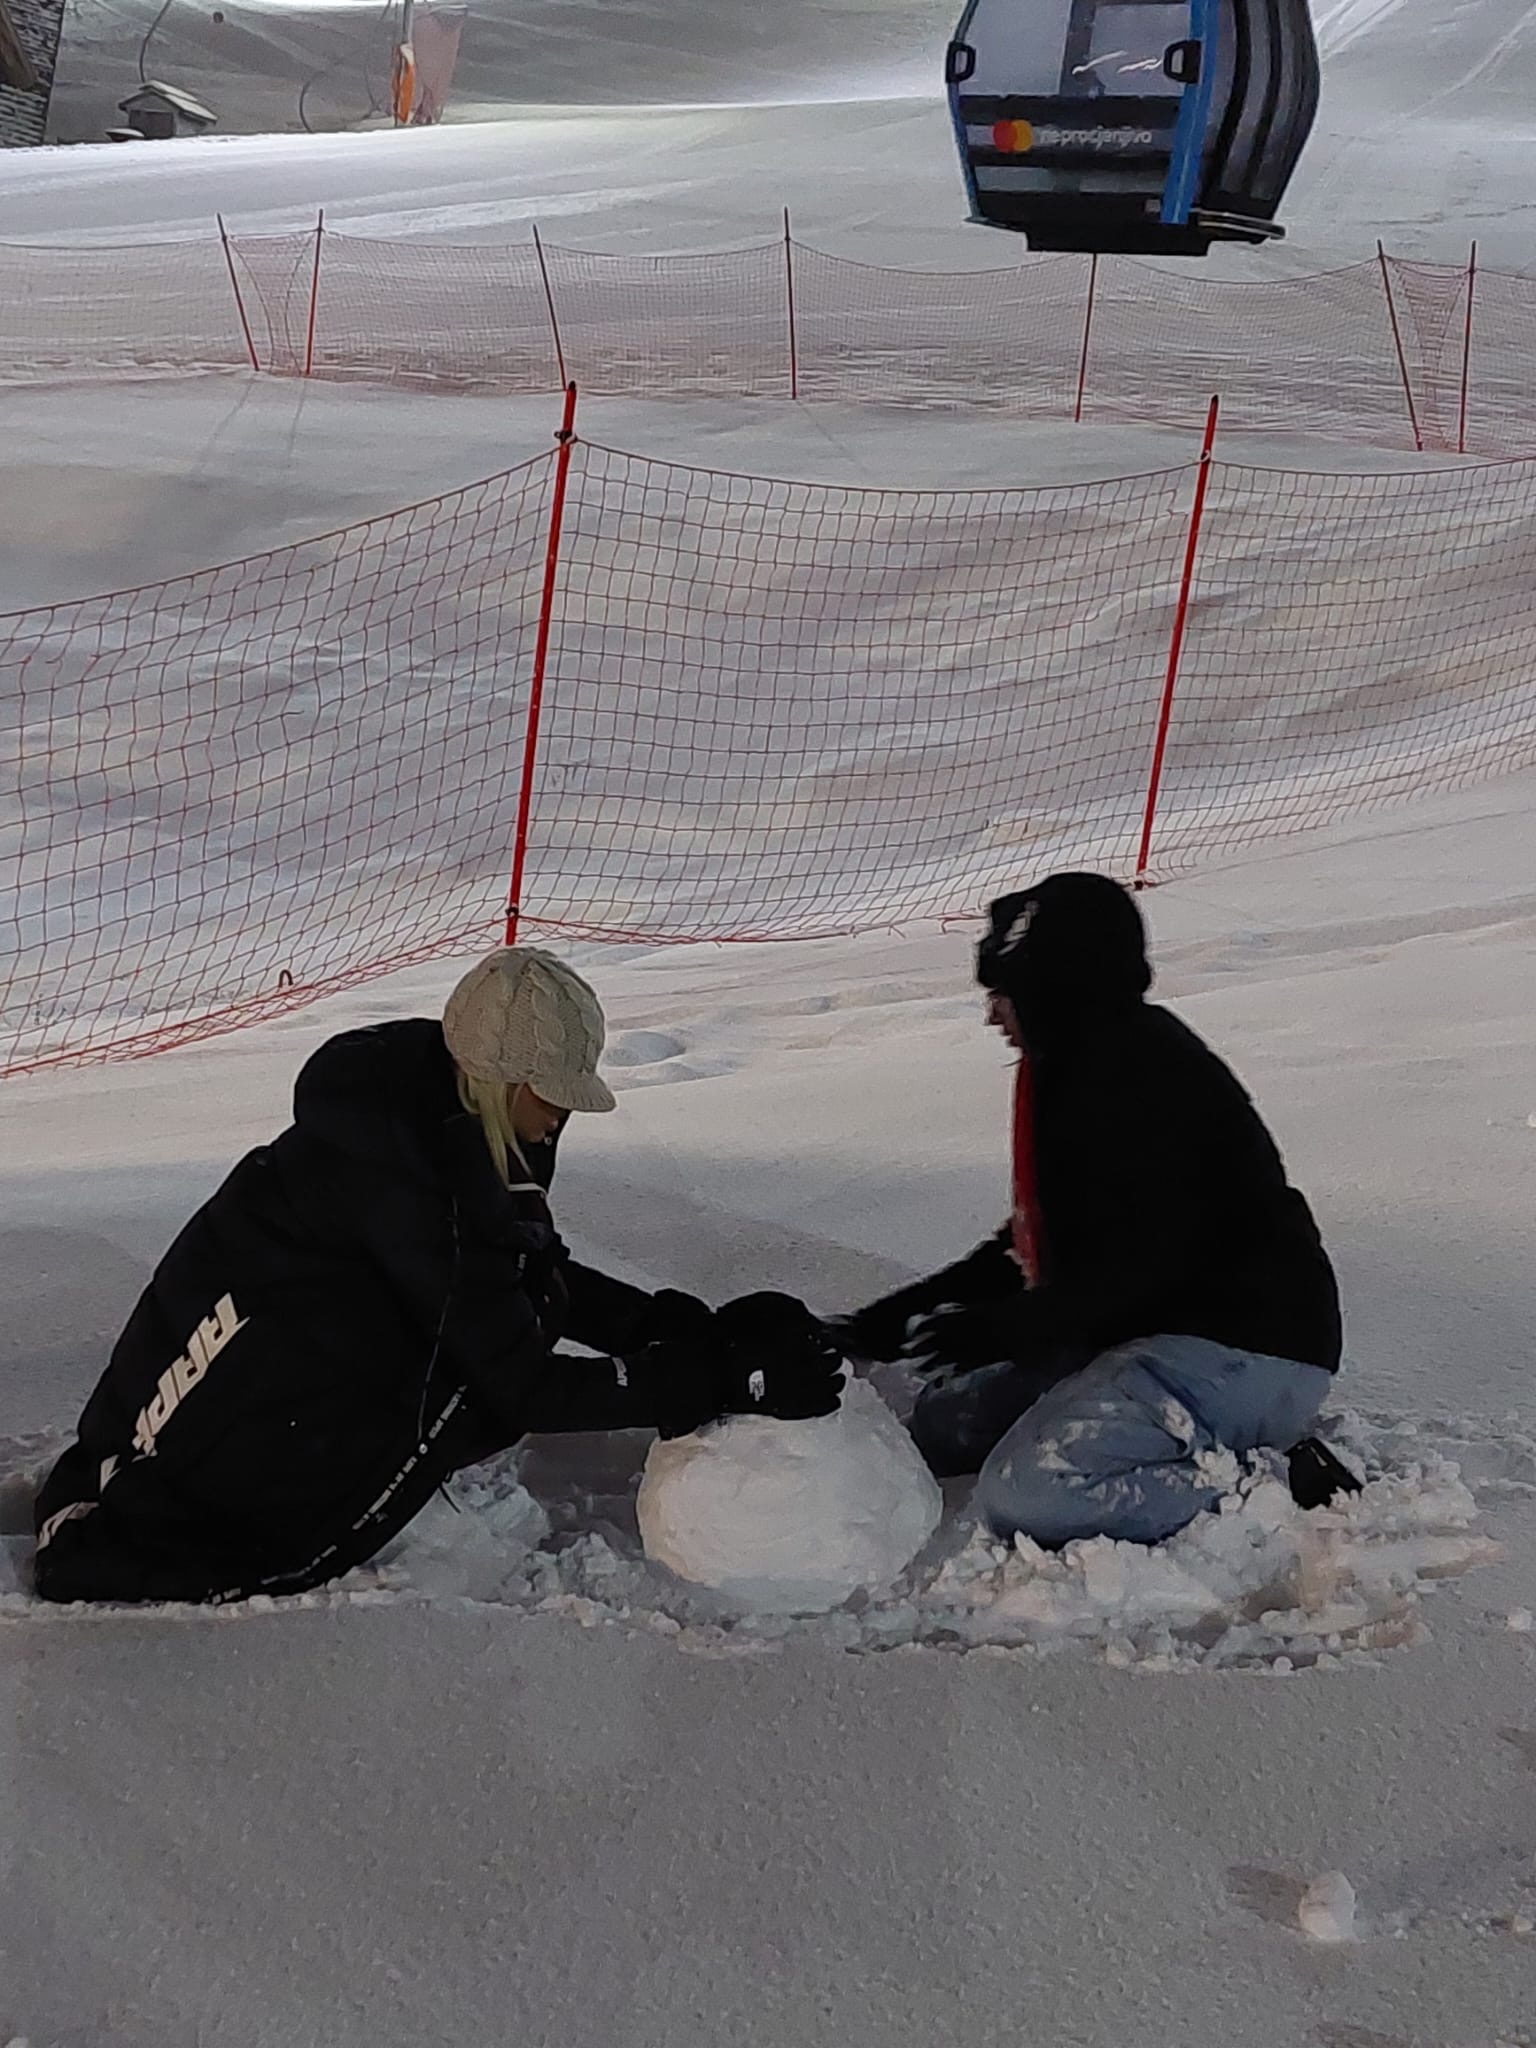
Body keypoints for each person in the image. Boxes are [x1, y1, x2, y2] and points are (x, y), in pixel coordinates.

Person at [33, 948, 844, 1605]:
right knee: (434, 1401)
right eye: (547, 1092)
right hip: (211, 1434)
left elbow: (519, 1275)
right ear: (496, 1081)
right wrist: (709, 1380)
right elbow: (517, 1383)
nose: (561, 1113)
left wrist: (674, 1325)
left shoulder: (433, 1117)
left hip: (283, 1351)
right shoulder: (406, 1182)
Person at [835, 872, 1356, 1549]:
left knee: (1032, 1493)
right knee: (944, 1427)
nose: (993, 1015)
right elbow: (1031, 1249)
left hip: (1242, 1344)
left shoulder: (1138, 1075)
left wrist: (1007, 1329)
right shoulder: (1079, 1066)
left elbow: (1155, 1259)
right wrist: (882, 1325)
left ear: (1054, 992)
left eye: (1004, 994)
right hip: (1145, 1329)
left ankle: (1269, 1481)